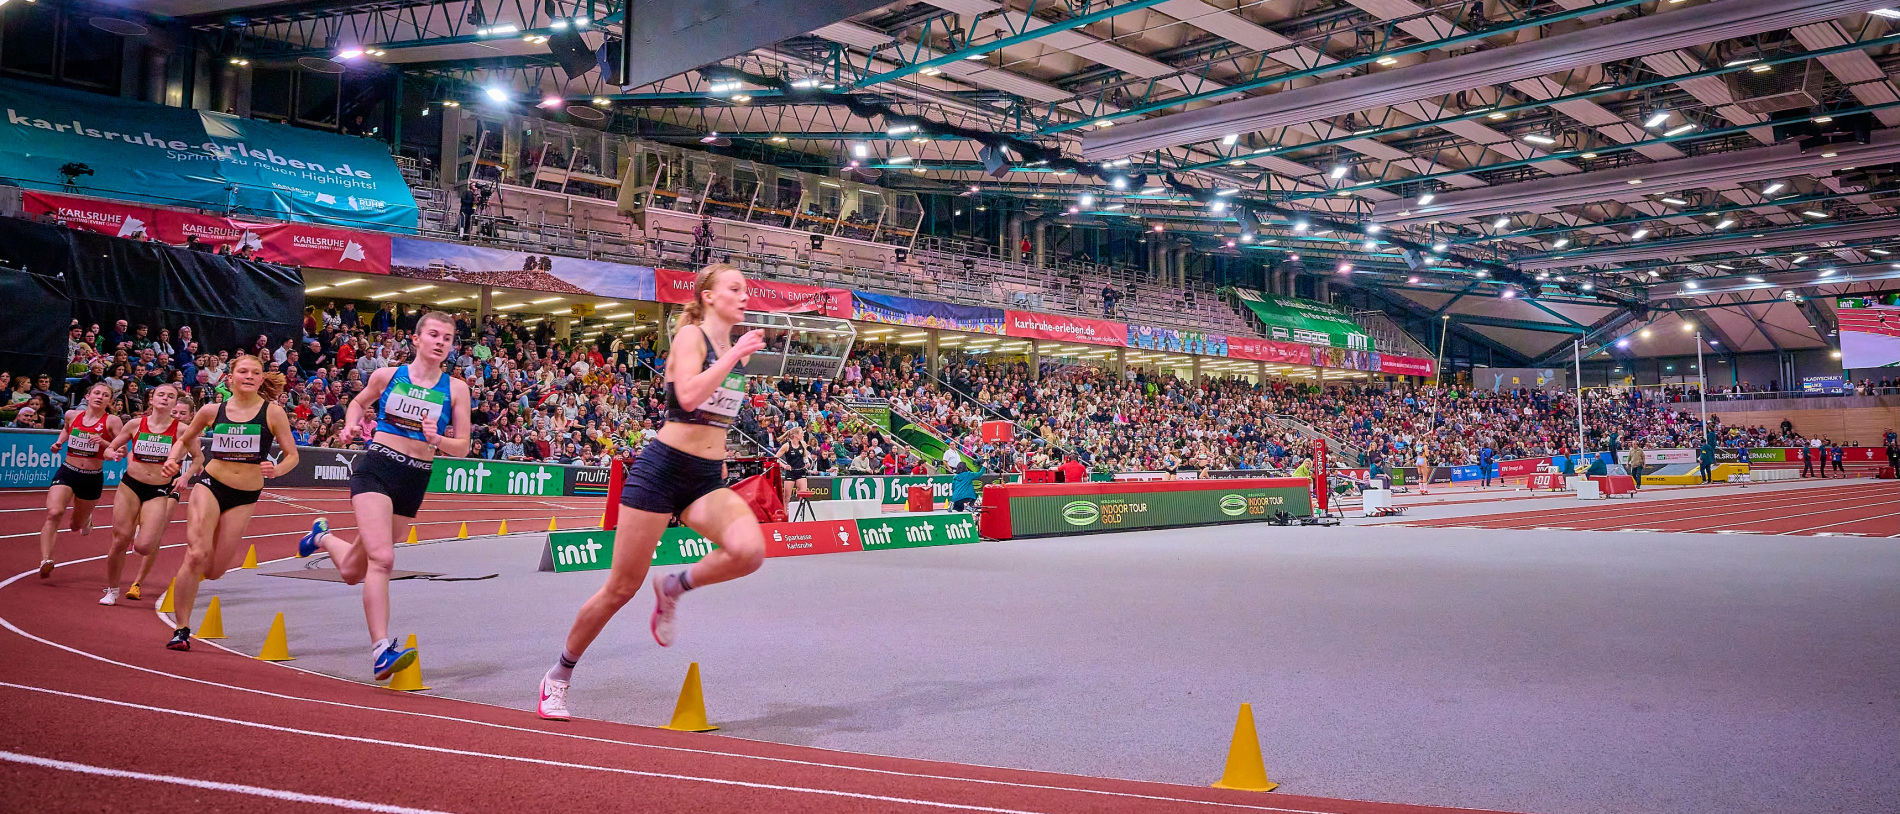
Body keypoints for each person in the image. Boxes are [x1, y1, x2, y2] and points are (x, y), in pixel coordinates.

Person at [537, 264, 769, 721]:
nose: (746, 295)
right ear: (708, 296)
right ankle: (557, 677)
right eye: (735, 288)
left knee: (749, 551)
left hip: (704, 478)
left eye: (747, 288)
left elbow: (717, 417)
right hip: (661, 471)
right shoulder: (692, 339)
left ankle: (674, 586)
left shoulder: (737, 353)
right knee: (621, 587)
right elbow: (686, 397)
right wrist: (731, 356)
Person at [298, 312, 472, 680]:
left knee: (352, 571)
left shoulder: (456, 389)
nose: (441, 342)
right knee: (383, 558)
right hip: (377, 467)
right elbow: (358, 403)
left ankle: (323, 536)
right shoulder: (388, 376)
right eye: (434, 335)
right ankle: (381, 651)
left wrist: (438, 439)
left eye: (448, 338)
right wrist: (350, 424)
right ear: (416, 339)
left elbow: (463, 447)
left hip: (415, 478)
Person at [161, 355, 298, 651]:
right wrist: (173, 460)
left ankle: (190, 602)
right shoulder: (212, 410)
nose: (249, 376)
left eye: (255, 372)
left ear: (262, 379)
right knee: (197, 554)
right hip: (211, 484)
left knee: (215, 571)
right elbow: (186, 438)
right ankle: (181, 629)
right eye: (243, 371)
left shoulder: (273, 413)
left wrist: (277, 470)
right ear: (230, 377)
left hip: (245, 495)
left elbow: (292, 455)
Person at [98, 385, 191, 604]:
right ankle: (112, 590)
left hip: (158, 490)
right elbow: (110, 448)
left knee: (144, 546)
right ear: (152, 398)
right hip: (130, 486)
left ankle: (142, 529)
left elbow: (198, 459)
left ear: (175, 402)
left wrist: (185, 476)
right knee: (120, 540)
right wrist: (113, 453)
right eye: (161, 394)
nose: (165, 399)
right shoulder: (135, 424)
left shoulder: (181, 430)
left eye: (171, 397)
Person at [37, 382, 122, 579]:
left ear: (110, 401)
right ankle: (46, 559)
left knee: (76, 525)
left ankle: (86, 519)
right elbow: (67, 429)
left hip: (91, 478)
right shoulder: (72, 415)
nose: (100, 397)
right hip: (68, 471)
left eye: (105, 395)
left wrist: (104, 443)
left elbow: (122, 449)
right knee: (54, 512)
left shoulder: (112, 422)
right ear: (88, 396)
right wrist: (59, 442)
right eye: (97, 393)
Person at [775, 426, 811, 511]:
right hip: (790, 472)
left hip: (801, 471)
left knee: (803, 495)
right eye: (801, 433)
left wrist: (807, 462)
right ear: (795, 435)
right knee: (786, 497)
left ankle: (801, 513)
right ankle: (785, 514)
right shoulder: (786, 446)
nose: (803, 434)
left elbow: (805, 455)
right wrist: (784, 466)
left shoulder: (803, 443)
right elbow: (775, 458)